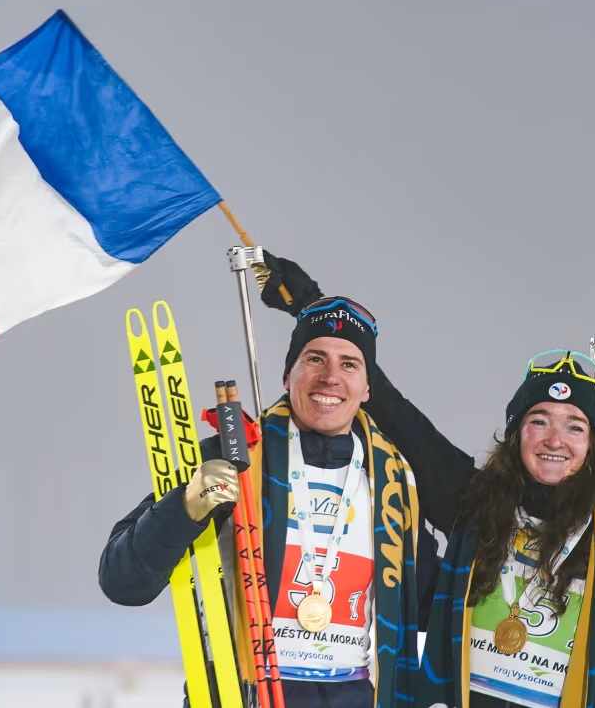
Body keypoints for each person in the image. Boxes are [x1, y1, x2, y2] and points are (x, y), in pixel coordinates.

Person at [257, 253, 595, 708]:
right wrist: (317, 310)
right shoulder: (474, 502)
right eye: (538, 420)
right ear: (517, 432)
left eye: (575, 426)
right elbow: (397, 417)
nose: (554, 439)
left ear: (594, 446)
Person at [99, 296, 430, 708]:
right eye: (315, 358)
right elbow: (122, 581)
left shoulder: (394, 486)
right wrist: (185, 508)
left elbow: (439, 601)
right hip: (240, 695)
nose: (330, 377)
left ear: (367, 389)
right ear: (287, 374)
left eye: (349, 364)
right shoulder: (235, 458)